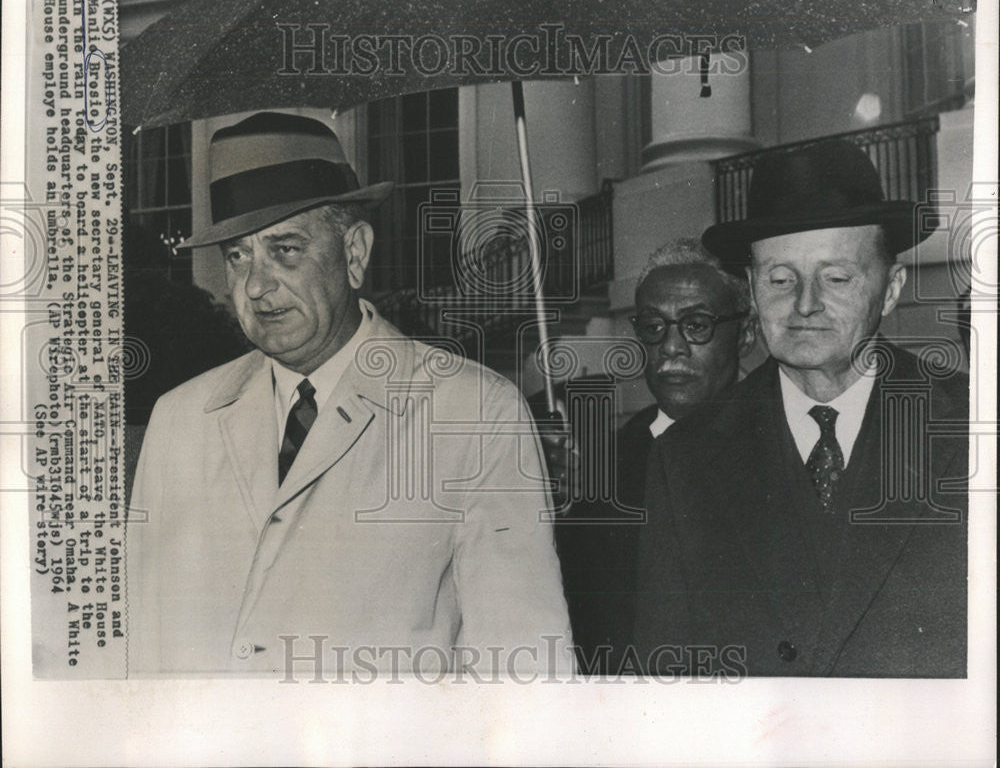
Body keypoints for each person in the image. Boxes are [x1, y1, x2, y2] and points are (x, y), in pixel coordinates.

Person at [127, 112, 574, 677]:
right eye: (238, 256)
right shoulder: (180, 419)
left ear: (355, 252)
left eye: (285, 249)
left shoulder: (475, 413)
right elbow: (140, 657)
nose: (256, 285)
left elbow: (524, 672)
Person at [633, 139, 968, 678]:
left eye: (836, 278)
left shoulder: (971, 427)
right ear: (751, 288)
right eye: (781, 279)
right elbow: (666, 683)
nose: (805, 303)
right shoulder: (685, 458)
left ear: (890, 290)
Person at [552, 239, 756, 672]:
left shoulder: (785, 435)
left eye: (697, 325)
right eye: (653, 328)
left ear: (747, 333)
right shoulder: (612, 456)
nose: (671, 347)